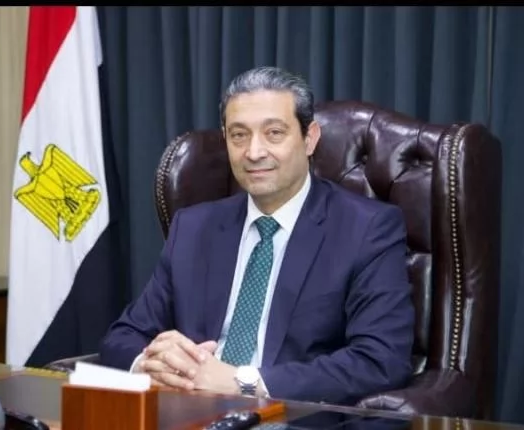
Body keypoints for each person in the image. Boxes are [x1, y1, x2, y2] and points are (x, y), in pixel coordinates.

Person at [98, 66, 415, 405]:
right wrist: (152, 364)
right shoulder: (193, 228)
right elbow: (123, 336)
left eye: (274, 133)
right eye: (239, 135)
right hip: (188, 413)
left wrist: (243, 382)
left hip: (289, 416)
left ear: (309, 138)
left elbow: (380, 359)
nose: (254, 152)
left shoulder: (366, 228)